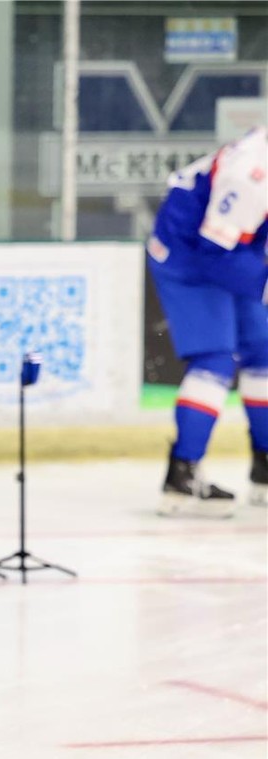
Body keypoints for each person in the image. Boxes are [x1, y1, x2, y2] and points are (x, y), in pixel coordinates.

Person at [146, 125, 268, 518]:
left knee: (263, 351)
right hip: (189, 255)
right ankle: (182, 472)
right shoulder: (251, 173)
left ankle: (264, 469)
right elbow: (214, 250)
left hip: (235, 246)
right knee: (215, 360)